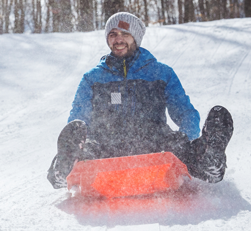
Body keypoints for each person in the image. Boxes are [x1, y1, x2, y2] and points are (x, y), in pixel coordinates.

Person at [47, 12, 233, 188]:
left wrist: (187, 138)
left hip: (154, 144)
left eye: (125, 34)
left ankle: (209, 160)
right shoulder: (93, 78)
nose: (118, 39)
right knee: (83, 151)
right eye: (113, 34)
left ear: (135, 38)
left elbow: (185, 112)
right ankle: (64, 169)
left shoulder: (161, 73)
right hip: (106, 147)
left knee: (178, 144)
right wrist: (78, 140)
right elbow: (79, 116)